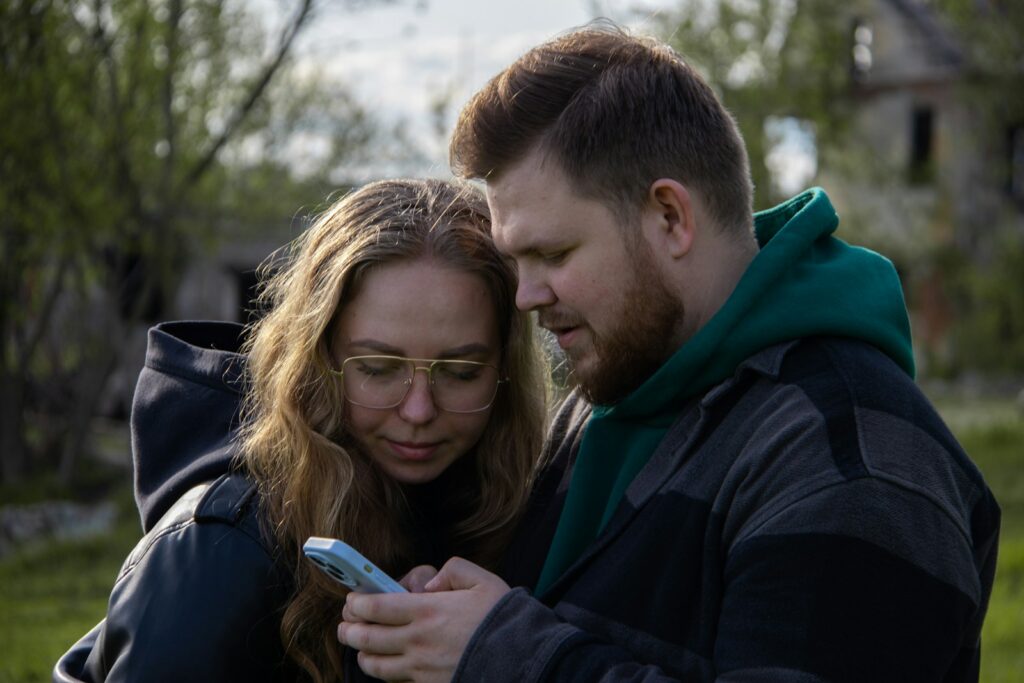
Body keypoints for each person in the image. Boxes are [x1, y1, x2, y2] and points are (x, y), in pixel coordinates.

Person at [337, 24, 1001, 683]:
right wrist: (447, 619)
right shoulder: (616, 390)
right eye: (517, 260)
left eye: (553, 254)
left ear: (670, 218)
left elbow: (525, 647)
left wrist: (503, 654)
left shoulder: (856, 461)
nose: (525, 297)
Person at [53, 178, 548, 682]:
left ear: (506, 372)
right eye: (378, 368)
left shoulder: (497, 502)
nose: (419, 410)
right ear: (315, 361)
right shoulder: (222, 548)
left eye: (460, 371)